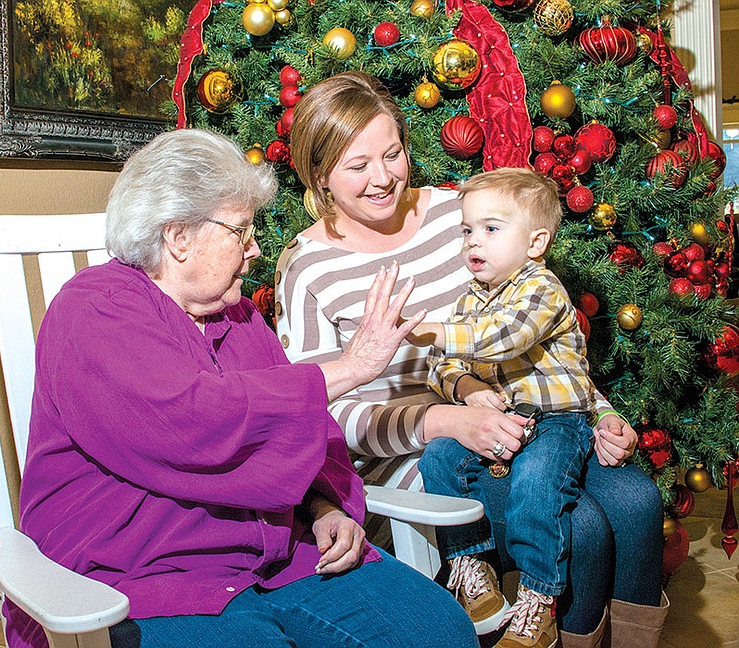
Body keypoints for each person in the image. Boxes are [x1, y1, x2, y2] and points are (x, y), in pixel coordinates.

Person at [4, 128, 480, 648]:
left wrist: (325, 509)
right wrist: (349, 368)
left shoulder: (240, 316)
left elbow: (309, 435)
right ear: (178, 237)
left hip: (279, 558)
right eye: (241, 230)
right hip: (146, 575)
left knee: (439, 630)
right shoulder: (94, 309)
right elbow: (195, 421)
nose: (254, 249)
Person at [276, 71, 668, 648]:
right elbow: (321, 414)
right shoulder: (308, 268)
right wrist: (445, 420)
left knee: (637, 503)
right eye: (357, 167)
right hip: (419, 458)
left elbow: (534, 325)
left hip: (528, 416)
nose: (383, 178)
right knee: (581, 527)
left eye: (393, 154)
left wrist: (601, 411)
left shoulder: (462, 214)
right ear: (318, 174)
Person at [408, 167, 608, 647]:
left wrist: (428, 328)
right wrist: (467, 386)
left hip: (557, 421)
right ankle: (469, 564)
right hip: (500, 418)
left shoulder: (542, 290)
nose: (473, 241)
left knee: (536, 485)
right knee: (437, 460)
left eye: (491, 229)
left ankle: (539, 600)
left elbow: (504, 337)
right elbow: (440, 367)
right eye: (467, 230)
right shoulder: (467, 301)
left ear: (535, 242)